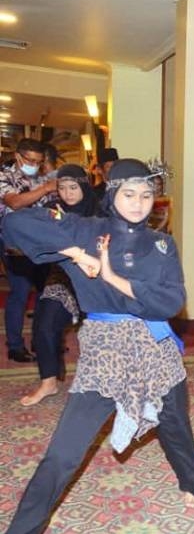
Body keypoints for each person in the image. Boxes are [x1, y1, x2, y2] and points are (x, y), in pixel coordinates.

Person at [0, 158, 194, 534]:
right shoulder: (84, 230)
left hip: (155, 349)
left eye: (146, 195)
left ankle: (193, 483)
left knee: (175, 426)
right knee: (63, 454)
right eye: (129, 193)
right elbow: (15, 223)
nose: (138, 203)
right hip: (105, 353)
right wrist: (78, 254)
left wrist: (112, 275)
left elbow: (171, 302)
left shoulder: (162, 244)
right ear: (112, 193)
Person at [20, 165, 99, 406]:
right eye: (62, 188)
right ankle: (49, 381)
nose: (68, 194)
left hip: (98, 277)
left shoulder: (100, 210)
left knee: (100, 333)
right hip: (63, 275)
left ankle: (104, 382)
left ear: (84, 185)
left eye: (73, 187)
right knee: (44, 322)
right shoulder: (51, 211)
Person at [0, 137, 55, 362]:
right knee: (20, 293)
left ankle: (40, 341)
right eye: (30, 160)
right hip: (14, 243)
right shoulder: (4, 177)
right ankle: (15, 346)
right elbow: (14, 203)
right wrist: (45, 188)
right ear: (18, 157)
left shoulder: (41, 179)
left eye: (38, 161)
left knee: (46, 293)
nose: (33, 164)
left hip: (41, 242)